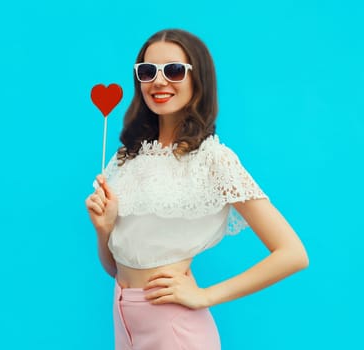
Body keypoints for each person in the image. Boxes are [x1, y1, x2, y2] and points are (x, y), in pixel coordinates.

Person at [85, 29, 309, 350]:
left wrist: (205, 296)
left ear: (198, 79)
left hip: (174, 331)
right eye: (148, 72)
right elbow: (115, 267)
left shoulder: (213, 159)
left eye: (174, 70)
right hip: (124, 325)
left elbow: (293, 254)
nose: (159, 82)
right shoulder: (125, 159)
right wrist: (103, 229)